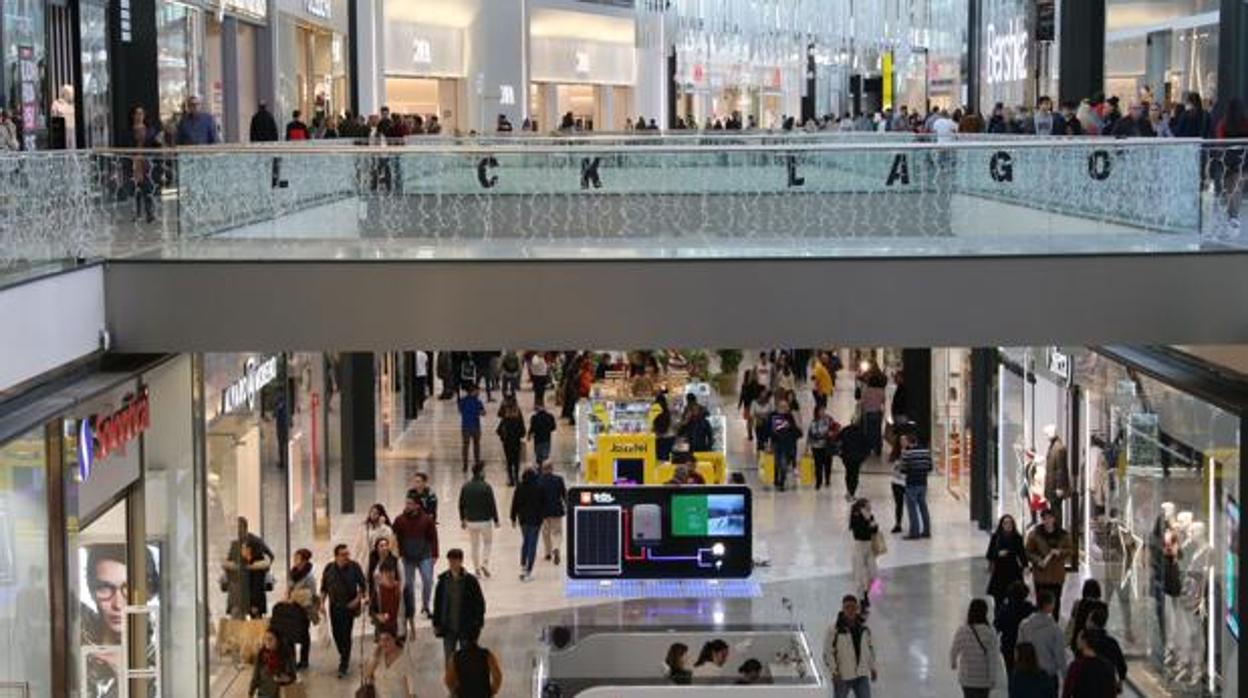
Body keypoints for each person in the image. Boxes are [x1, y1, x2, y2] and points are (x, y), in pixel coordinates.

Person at [319, 544, 366, 678]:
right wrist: (322, 603)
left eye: (347, 554)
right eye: (343, 554)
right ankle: (343, 654)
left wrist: (357, 600)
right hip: (335, 606)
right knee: (336, 634)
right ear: (336, 556)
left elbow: (363, 586)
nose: (346, 557)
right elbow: (324, 588)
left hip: (349, 606)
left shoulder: (354, 567)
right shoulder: (329, 569)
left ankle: (344, 662)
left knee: (346, 634)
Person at [432, 548, 487, 662]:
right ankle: (451, 679)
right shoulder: (443, 581)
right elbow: (438, 603)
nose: (452, 564)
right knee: (449, 660)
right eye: (450, 561)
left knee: (467, 659)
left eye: (455, 561)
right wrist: (436, 623)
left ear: (461, 561)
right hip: (448, 628)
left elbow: (479, 603)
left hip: (465, 628)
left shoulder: (470, 581)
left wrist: (478, 624)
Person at [392, 492, 439, 619]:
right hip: (407, 557)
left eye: (410, 503)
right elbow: (393, 536)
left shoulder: (427, 520)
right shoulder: (399, 520)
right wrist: (398, 554)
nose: (407, 506)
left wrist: (434, 554)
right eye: (406, 503)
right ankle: (410, 608)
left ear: (417, 506)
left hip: (425, 555)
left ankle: (425, 606)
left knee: (428, 580)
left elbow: (433, 537)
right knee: (408, 584)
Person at [824, 594, 877, 697]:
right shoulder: (834, 630)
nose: (850, 610)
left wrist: (872, 667)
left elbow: (869, 649)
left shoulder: (864, 629)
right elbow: (828, 652)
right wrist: (834, 672)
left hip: (861, 674)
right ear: (843, 609)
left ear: (857, 608)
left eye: (853, 607)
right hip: (843, 676)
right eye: (847, 607)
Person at [223, 517, 275, 619]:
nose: (236, 530)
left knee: (255, 623)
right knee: (237, 624)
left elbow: (270, 557)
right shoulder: (235, 544)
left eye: (238, 527)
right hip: (238, 592)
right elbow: (229, 563)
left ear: (244, 528)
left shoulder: (256, 542)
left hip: (254, 588)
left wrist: (256, 566)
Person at [1025, 509, 1073, 618]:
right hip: (1041, 574)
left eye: (1049, 518)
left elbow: (1070, 550)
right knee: (1041, 601)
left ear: (1054, 519)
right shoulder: (1035, 534)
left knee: (1056, 599)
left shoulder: (1063, 535)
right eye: (1044, 518)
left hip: (1056, 574)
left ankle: (1054, 622)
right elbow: (1028, 551)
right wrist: (1037, 560)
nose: (1047, 521)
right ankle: (1041, 622)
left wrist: (1060, 552)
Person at [1017, 591, 1066, 695]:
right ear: (1049, 605)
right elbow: (1060, 656)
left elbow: (1019, 649)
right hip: (1048, 675)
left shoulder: (1024, 625)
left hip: (1028, 673)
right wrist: (1065, 676)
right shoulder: (1055, 629)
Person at [950, 598, 1001, 698]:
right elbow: (993, 657)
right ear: (985, 612)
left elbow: (954, 649)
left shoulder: (962, 630)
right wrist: (993, 678)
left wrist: (953, 663)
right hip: (983, 680)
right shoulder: (990, 632)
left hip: (967, 678)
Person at [458, 463, 500, 578]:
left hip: (471, 521)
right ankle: (485, 563)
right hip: (485, 521)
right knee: (487, 543)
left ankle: (476, 568)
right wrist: (496, 519)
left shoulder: (466, 487)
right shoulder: (486, 487)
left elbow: (461, 505)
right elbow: (492, 504)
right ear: (481, 472)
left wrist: (462, 519)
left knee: (474, 545)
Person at [1216, 96, 1248, 230]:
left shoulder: (1223, 123)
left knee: (1229, 189)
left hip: (1228, 160)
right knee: (1238, 188)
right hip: (1243, 159)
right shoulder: (1245, 122)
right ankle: (1235, 216)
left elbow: (1219, 140)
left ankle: (1231, 216)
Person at [282, 549, 317, 669]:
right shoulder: (293, 572)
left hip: (303, 609)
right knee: (290, 634)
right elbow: (289, 587)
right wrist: (287, 595)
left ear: (304, 561)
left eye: (297, 558)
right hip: (292, 608)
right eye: (294, 558)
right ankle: (292, 660)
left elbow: (312, 594)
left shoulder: (309, 576)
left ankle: (304, 660)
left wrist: (297, 596)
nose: (295, 561)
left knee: (303, 634)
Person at [986, 515, 1028, 613]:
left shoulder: (1017, 538)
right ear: (1001, 525)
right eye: (1005, 523)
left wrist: (1025, 566)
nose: (1008, 525)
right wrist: (998, 554)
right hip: (999, 571)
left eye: (1010, 523)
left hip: (1013, 570)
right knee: (999, 600)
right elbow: (989, 554)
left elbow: (1022, 553)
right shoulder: (996, 537)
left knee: (1015, 597)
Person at [1062, 630, 1119, 697]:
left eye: (1078, 638)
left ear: (1084, 642)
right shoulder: (1108, 665)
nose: (1077, 640)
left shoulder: (1076, 666)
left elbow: (1067, 692)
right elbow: (1112, 692)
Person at [995, 581, 1035, 676]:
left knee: (1010, 671)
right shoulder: (1030, 609)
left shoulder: (1004, 609)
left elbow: (997, 626)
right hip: (1026, 645)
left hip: (1008, 644)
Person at [511, 467, 545, 581]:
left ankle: (523, 566)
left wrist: (513, 518)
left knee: (525, 541)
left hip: (523, 520)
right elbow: (542, 504)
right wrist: (543, 517)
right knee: (532, 544)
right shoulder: (539, 487)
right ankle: (529, 570)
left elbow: (514, 503)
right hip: (535, 520)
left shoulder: (520, 487)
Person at [900, 430, 933, 539]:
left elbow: (903, 469)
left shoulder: (907, 453)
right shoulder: (926, 451)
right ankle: (927, 530)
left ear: (909, 441)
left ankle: (915, 532)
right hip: (923, 482)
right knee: (923, 506)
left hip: (911, 482)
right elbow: (930, 467)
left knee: (912, 508)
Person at [366, 628, 416, 698]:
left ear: (394, 639)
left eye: (387, 639)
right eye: (381, 640)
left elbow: (411, 685)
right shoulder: (378, 656)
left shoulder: (404, 658)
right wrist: (374, 657)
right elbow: (367, 674)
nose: (384, 643)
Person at [849, 499, 880, 609]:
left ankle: (868, 593)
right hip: (860, 546)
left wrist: (872, 527)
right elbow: (859, 532)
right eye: (868, 505)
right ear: (862, 506)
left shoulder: (870, 515)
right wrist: (870, 527)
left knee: (874, 572)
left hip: (869, 546)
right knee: (860, 574)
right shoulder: (856, 516)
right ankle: (862, 598)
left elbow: (875, 529)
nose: (870, 507)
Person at [1084, 608, 1126, 685]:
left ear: (1092, 623)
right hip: (1107, 683)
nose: (1086, 621)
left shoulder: (1085, 641)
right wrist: (1120, 681)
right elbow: (1122, 665)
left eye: (1088, 619)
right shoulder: (1112, 642)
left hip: (1089, 683)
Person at [248, 629, 295, 697]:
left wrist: (284, 678)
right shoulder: (261, 654)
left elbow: (292, 677)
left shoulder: (285, 655)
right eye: (265, 639)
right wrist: (250, 693)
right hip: (263, 695)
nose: (267, 642)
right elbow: (255, 676)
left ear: (278, 641)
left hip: (280, 695)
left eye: (270, 639)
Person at [1065, 579, 1107, 653]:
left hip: (1079, 640)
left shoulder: (1078, 604)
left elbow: (1072, 621)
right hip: (1097, 640)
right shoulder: (1103, 606)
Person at [768, 398, 801, 491]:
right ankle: (776, 478)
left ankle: (782, 481)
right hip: (776, 443)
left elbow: (794, 431)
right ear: (777, 407)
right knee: (776, 462)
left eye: (785, 407)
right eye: (781, 406)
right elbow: (768, 430)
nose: (783, 408)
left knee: (783, 463)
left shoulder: (789, 417)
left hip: (787, 444)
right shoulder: (772, 416)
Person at [537, 461, 566, 565]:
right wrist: (566, 506)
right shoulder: (559, 480)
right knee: (557, 532)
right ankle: (556, 548)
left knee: (546, 533)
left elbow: (537, 499)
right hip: (556, 510)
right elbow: (564, 495)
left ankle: (548, 553)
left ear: (543, 469)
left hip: (543, 512)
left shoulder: (539, 481)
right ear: (552, 468)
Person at [354, 503, 396, 573]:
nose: (373, 514)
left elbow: (385, 542)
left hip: (379, 558)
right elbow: (358, 544)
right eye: (371, 512)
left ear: (381, 515)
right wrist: (355, 558)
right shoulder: (364, 527)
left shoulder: (386, 529)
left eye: (376, 513)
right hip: (365, 558)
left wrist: (380, 526)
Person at [808, 403, 839, 492]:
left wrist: (833, 434)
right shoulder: (814, 422)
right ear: (817, 412)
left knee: (828, 464)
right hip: (816, 446)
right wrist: (825, 434)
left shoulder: (829, 419)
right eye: (821, 410)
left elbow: (836, 427)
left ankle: (827, 479)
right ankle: (818, 481)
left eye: (823, 410)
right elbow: (812, 434)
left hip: (827, 446)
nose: (823, 412)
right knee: (818, 465)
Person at [496, 399, 526, 486]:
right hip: (516, 441)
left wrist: (503, 437)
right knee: (516, 460)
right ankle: (516, 477)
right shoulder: (518, 417)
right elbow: (523, 431)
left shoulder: (505, 418)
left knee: (509, 461)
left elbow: (499, 430)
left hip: (507, 442)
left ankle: (511, 479)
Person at [858, 365, 887, 456]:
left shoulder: (867, 390)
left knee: (868, 431)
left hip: (868, 413)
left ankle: (869, 448)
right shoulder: (881, 390)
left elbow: (862, 402)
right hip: (878, 413)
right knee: (877, 431)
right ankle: (878, 449)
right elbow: (883, 401)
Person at [839, 421, 870, 504]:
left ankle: (849, 492)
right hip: (856, 459)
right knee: (854, 476)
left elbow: (838, 441)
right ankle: (851, 493)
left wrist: (841, 455)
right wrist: (863, 458)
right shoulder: (862, 433)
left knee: (848, 474)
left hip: (847, 458)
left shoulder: (845, 431)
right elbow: (867, 447)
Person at [458, 384, 486, 473]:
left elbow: (460, 410)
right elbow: (483, 412)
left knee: (466, 446)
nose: (478, 393)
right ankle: (476, 463)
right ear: (473, 391)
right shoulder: (478, 402)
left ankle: (465, 465)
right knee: (476, 446)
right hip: (475, 426)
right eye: (477, 391)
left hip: (466, 426)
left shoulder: (463, 401)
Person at [750, 388, 773, 455]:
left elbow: (772, 412)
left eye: (765, 392)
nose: (764, 394)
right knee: (759, 440)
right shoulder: (754, 402)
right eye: (763, 392)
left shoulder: (769, 403)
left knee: (766, 440)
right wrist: (758, 416)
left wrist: (766, 415)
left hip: (767, 424)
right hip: (758, 424)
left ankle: (765, 454)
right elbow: (752, 414)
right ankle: (759, 454)